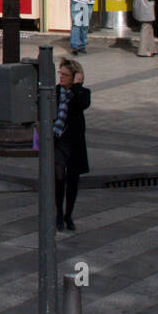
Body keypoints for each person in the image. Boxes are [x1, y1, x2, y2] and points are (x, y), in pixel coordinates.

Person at [52, 58, 90, 231]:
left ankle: (69, 215)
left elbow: (82, 105)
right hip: (58, 140)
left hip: (74, 142)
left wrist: (76, 86)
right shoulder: (54, 91)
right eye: (60, 73)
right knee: (59, 178)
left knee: (73, 180)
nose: (61, 77)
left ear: (75, 77)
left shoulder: (82, 93)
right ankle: (59, 213)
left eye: (65, 75)